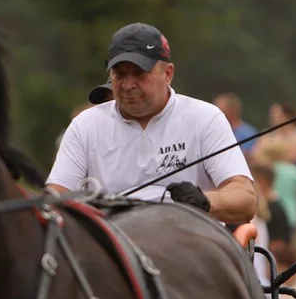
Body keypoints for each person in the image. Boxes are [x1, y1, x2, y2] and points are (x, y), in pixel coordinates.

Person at [47, 22, 256, 225]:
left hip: (190, 241)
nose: (128, 85)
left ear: (168, 74)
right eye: (119, 74)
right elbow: (55, 198)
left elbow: (245, 198)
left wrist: (205, 200)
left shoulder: (205, 118)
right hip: (111, 247)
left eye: (139, 73)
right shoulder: (85, 125)